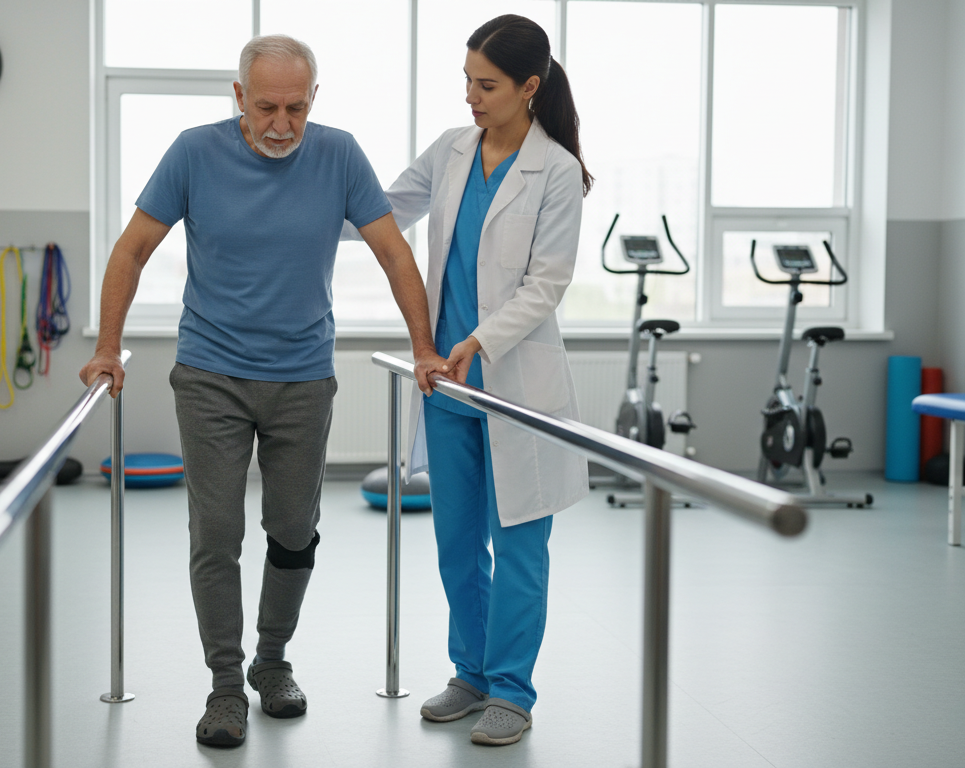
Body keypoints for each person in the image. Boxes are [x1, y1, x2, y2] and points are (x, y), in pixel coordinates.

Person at [79, 34, 445, 748]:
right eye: (268, 107)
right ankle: (224, 687)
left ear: (315, 100)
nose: (282, 124)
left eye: (296, 108)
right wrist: (103, 347)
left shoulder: (338, 154)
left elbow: (393, 252)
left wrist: (424, 349)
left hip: (303, 377)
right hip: (211, 373)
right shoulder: (193, 152)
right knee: (215, 535)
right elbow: (132, 249)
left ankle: (271, 663)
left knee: (293, 530)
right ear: (238, 97)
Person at [359, 14, 592, 746]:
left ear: (529, 88)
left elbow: (545, 285)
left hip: (514, 387)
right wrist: (301, 200)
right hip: (451, 391)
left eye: (485, 84)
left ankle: (513, 691)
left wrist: (476, 340)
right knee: (458, 544)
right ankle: (472, 672)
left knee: (519, 543)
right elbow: (382, 212)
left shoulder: (556, 171)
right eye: (465, 79)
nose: (470, 96)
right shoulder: (453, 150)